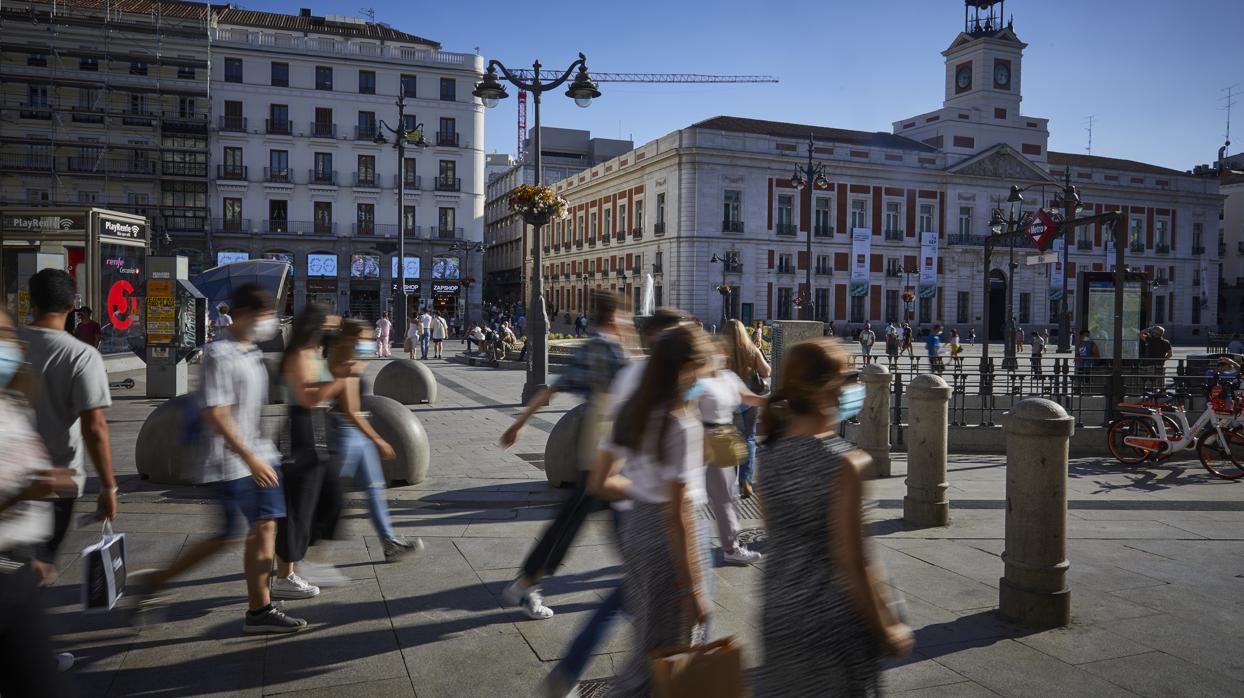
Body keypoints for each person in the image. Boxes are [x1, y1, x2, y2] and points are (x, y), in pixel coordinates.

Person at [129, 284, 307, 633]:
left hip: (256, 456)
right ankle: (156, 582)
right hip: (229, 461)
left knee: (265, 526)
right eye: (264, 315)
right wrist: (250, 459)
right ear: (241, 315)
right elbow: (218, 414)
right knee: (228, 535)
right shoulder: (219, 354)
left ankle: (260, 610)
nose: (270, 322)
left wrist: (262, 455)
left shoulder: (249, 350)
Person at [539, 308, 687, 698]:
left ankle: (572, 671)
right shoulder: (648, 381)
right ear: (666, 342)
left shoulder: (637, 375)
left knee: (632, 596)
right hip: (649, 512)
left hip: (634, 506)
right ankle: (599, 675)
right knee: (640, 603)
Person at [754, 338, 913, 696]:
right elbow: (854, 562)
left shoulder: (769, 454)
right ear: (827, 388)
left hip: (778, 611)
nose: (852, 387)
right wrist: (887, 626)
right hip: (830, 623)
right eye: (848, 377)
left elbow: (773, 531)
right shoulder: (844, 463)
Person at [588, 323, 713, 696]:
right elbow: (679, 516)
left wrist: (643, 490)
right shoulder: (681, 425)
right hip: (664, 542)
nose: (706, 374)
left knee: (648, 639)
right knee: (665, 652)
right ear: (687, 367)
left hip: (635, 530)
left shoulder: (632, 410)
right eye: (703, 366)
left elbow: (599, 482)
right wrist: (693, 591)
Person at [499, 291, 629, 620]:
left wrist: (520, 423)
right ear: (613, 318)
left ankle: (642, 579)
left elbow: (552, 389)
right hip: (602, 453)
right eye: (624, 315)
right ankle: (526, 584)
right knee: (569, 525)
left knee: (617, 520)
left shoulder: (595, 347)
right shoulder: (607, 349)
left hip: (605, 451)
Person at [0, 306, 80, 696]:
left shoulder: (11, 401)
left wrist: (33, 557)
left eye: (8, 333)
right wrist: (25, 492)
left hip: (15, 565)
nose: (8, 344)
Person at [20, 270, 117, 592]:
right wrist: (108, 487)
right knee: (38, 568)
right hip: (56, 482)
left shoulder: (9, 345)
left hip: (8, 480)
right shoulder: (81, 355)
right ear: (74, 305)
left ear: (30, 303)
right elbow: (95, 427)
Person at [273, 304, 350, 596]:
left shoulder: (314, 352)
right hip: (302, 430)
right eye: (329, 327)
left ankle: (308, 560)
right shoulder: (297, 355)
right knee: (298, 506)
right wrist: (338, 379)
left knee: (332, 498)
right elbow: (307, 397)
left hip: (321, 426)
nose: (333, 333)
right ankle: (285, 574)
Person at [328, 320, 419, 560]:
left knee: (374, 489)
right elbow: (349, 409)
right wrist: (378, 439)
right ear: (352, 339)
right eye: (367, 339)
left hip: (357, 435)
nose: (371, 343)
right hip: (343, 433)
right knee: (328, 496)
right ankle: (301, 552)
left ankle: (389, 542)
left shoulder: (351, 360)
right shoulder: (343, 363)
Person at [698, 342, 765, 564]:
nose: (721, 357)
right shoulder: (700, 381)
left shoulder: (729, 377)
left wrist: (773, 402)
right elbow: (685, 405)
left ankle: (730, 546)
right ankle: (730, 547)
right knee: (719, 494)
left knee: (728, 492)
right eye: (716, 353)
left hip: (724, 437)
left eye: (722, 353)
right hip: (704, 437)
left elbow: (747, 397)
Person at [723, 319, 770, 499]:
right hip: (749, 401)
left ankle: (730, 481)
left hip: (727, 402)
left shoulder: (722, 351)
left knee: (729, 441)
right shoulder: (752, 350)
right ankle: (746, 480)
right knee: (749, 439)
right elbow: (767, 372)